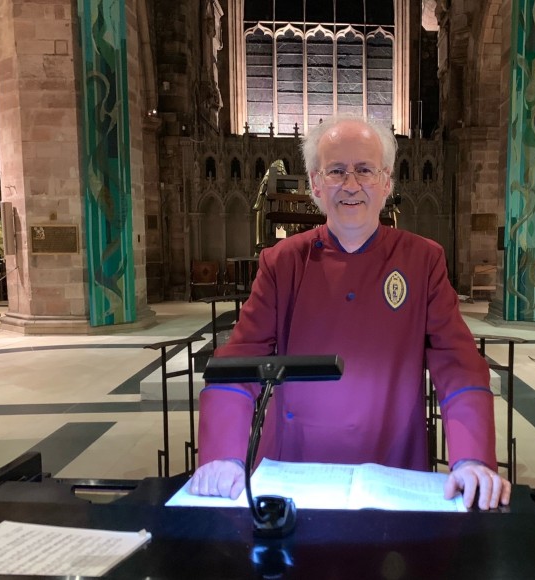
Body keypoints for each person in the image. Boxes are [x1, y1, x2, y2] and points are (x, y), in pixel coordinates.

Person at [190, 115, 511, 510]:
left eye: (365, 170)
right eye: (337, 171)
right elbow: (238, 363)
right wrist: (223, 454)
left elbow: (458, 362)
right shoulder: (283, 262)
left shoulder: (422, 260)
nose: (352, 185)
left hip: (391, 465)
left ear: (387, 182)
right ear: (315, 185)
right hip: (295, 467)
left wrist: (472, 456)